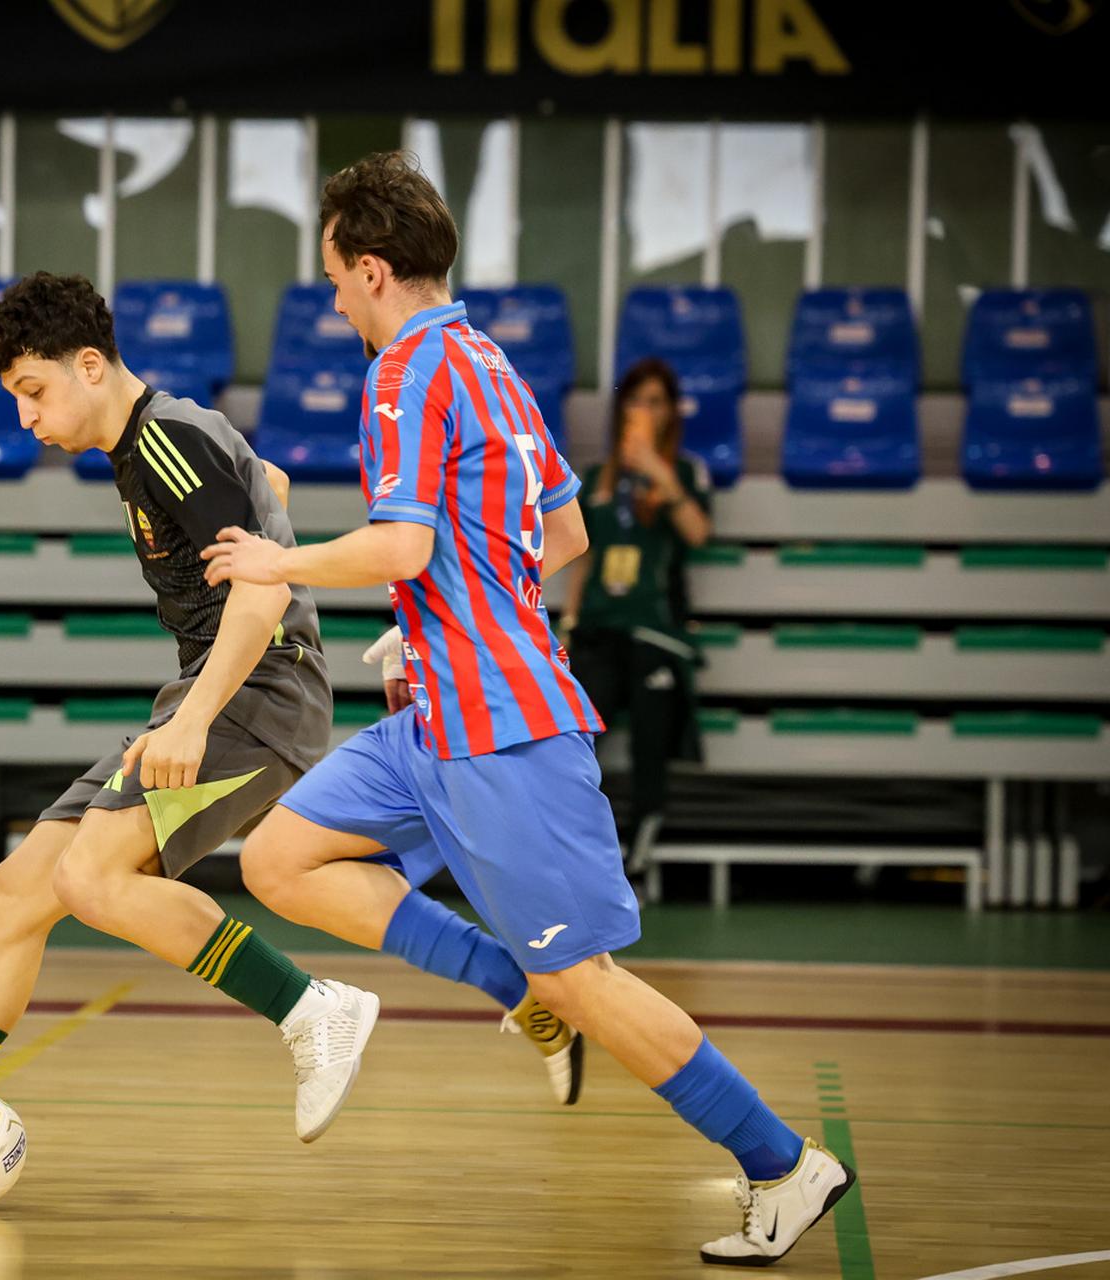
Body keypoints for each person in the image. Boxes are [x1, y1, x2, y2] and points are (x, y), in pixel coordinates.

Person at [0, 273, 580, 1195]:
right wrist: (256, 516)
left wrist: (191, 720)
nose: (26, 419)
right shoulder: (161, 438)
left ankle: (310, 1007)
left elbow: (262, 593)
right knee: (12, 895)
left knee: (90, 878)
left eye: (33, 391)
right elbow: (267, 483)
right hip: (217, 688)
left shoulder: (168, 441)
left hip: (259, 696)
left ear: (89, 365)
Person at [203, 152, 854, 1267]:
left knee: (584, 980)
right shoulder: (490, 360)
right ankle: (516, 988)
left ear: (372, 269)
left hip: (502, 727)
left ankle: (783, 1161)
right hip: (436, 713)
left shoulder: (404, 371)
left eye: (336, 277)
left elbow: (403, 544)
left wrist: (280, 558)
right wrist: (442, 618)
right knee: (278, 858)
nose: (335, 299)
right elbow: (564, 533)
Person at [562, 356, 714, 880]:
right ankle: (578, 854)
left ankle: (640, 857)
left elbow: (697, 533)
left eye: (655, 402)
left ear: (671, 411)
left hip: (654, 632)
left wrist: (656, 469)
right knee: (573, 739)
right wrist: (568, 622)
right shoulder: (595, 478)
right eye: (634, 400)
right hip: (600, 629)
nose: (643, 411)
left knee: (652, 740)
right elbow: (582, 556)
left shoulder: (684, 473)